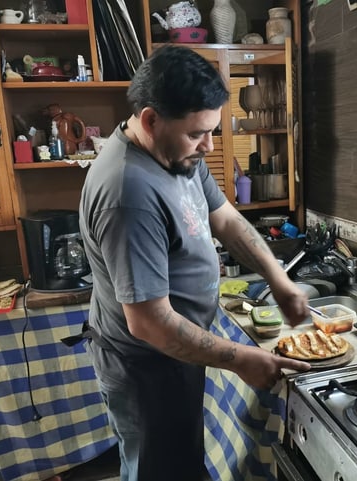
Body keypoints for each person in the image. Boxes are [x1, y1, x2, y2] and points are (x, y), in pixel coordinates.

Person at [78, 45, 312, 481]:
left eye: (211, 130)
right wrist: (241, 357)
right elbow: (149, 322)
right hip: (145, 366)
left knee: (181, 463)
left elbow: (225, 219)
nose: (208, 145)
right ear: (150, 119)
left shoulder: (176, 153)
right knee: (157, 471)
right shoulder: (128, 193)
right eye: (197, 133)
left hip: (175, 355)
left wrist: (278, 278)